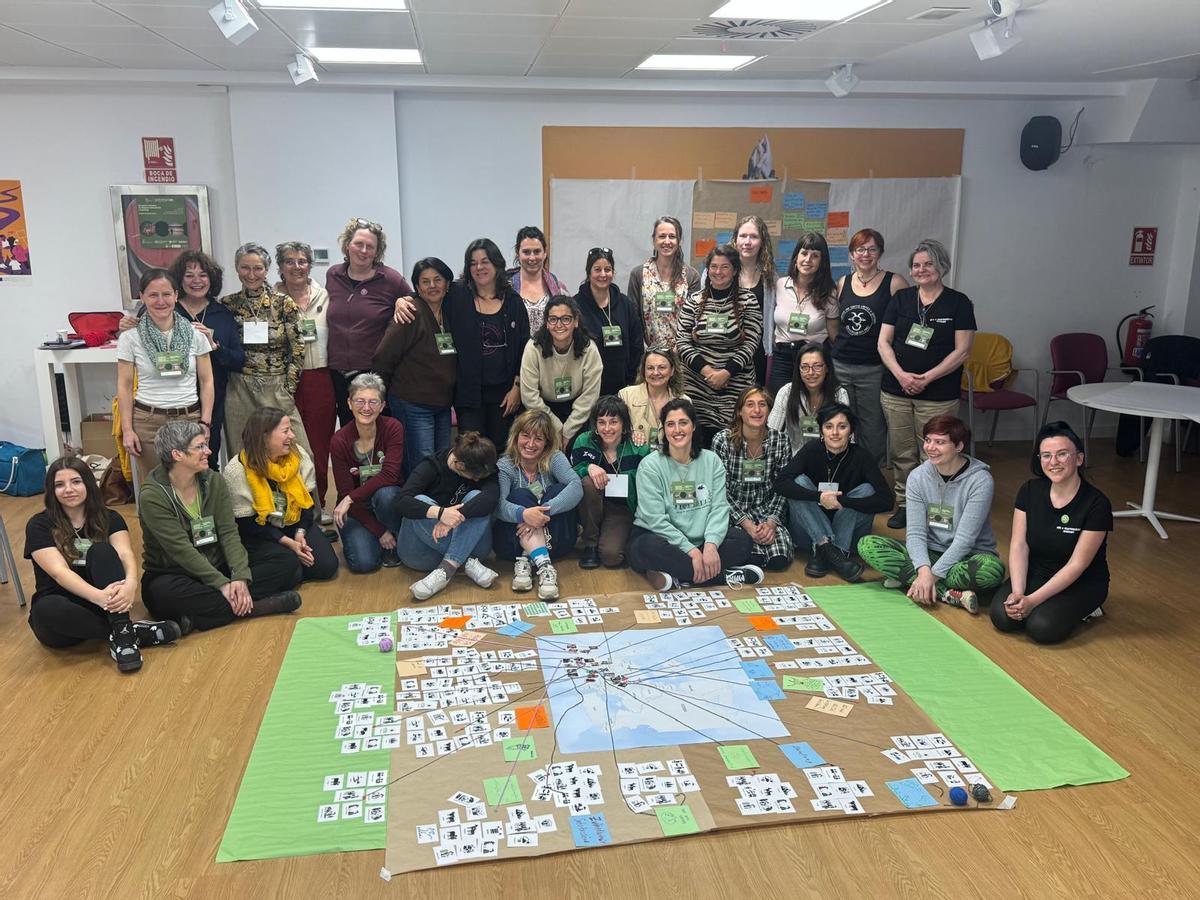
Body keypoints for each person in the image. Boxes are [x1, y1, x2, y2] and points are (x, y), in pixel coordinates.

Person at [140, 421, 304, 632]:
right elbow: (180, 550)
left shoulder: (213, 481)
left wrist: (240, 577)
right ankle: (258, 607)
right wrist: (222, 584)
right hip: (175, 572)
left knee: (287, 562)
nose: (208, 451)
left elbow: (228, 532)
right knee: (162, 596)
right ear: (177, 455)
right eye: (199, 447)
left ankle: (205, 616)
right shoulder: (152, 496)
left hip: (218, 563)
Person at [25, 457, 178, 673]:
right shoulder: (39, 525)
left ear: (89, 483)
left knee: (103, 551)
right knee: (45, 611)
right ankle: (127, 632)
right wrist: (100, 598)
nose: (68, 489)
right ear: (51, 491)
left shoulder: (110, 518)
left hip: (102, 605)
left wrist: (131, 584)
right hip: (63, 612)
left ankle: (123, 639)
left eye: (76, 482)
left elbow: (125, 554)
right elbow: (59, 573)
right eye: (59, 485)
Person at [858, 415, 1004, 613]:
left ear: (959, 446)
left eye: (940, 442)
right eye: (927, 440)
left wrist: (931, 575)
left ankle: (914, 582)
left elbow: (965, 540)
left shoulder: (980, 480)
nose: (930, 447)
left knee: (991, 572)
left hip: (968, 557)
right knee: (867, 545)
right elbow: (916, 533)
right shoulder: (918, 477)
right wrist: (924, 569)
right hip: (929, 554)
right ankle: (947, 593)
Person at [878, 238, 976, 529]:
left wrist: (927, 378)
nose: (921, 270)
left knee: (934, 453)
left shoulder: (958, 303)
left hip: (938, 394)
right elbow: (883, 342)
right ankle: (906, 505)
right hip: (896, 390)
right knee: (902, 452)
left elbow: (963, 350)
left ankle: (934, 508)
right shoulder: (901, 299)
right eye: (917, 265)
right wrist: (901, 375)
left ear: (942, 267)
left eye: (928, 264)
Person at [991, 422, 1113, 644]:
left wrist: (1033, 600)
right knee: (1003, 618)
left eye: (1062, 454)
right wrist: (1018, 592)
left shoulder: (1097, 503)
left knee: (1042, 628)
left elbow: (1078, 564)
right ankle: (1035, 601)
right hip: (1038, 572)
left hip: (1081, 581)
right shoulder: (1029, 490)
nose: (1053, 462)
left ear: (1079, 459)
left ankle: (1090, 608)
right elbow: (1019, 545)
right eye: (1046, 455)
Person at [627, 398, 762, 591]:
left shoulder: (711, 460)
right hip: (661, 538)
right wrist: (690, 550)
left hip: (701, 540)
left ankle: (679, 576)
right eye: (670, 424)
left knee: (742, 541)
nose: (677, 430)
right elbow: (655, 520)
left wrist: (711, 545)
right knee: (646, 548)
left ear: (693, 426)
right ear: (663, 430)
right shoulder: (650, 466)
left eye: (683, 423)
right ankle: (723, 576)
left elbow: (719, 508)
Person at [774, 403, 891, 582]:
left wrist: (843, 501)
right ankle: (829, 550)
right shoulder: (811, 449)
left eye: (842, 427)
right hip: (807, 533)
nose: (835, 432)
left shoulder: (862, 456)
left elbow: (886, 501)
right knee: (798, 483)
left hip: (849, 535)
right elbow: (780, 483)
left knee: (867, 490)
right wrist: (819, 497)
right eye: (829, 426)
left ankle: (825, 552)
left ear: (851, 431)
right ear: (821, 431)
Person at [117, 268, 214, 482]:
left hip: (189, 419)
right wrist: (127, 429)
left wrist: (205, 423)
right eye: (153, 295)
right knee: (155, 488)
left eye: (166, 294)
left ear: (176, 296)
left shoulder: (196, 335)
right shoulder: (130, 338)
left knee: (192, 486)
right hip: (148, 422)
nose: (161, 301)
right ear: (142, 297)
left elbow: (206, 381)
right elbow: (124, 386)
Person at [223, 406, 339, 584]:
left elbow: (308, 505)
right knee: (291, 569)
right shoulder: (237, 470)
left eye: (291, 430)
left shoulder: (298, 456)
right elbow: (246, 523)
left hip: (295, 524)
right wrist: (287, 542)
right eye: (286, 431)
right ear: (264, 436)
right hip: (261, 532)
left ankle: (289, 568)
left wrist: (299, 534)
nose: (292, 435)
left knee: (326, 566)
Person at [221, 242, 309, 458]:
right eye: (245, 268)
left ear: (267, 270)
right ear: (236, 268)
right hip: (239, 389)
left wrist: (288, 388)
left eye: (257, 268)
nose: (251, 274)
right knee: (242, 453)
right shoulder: (227, 305)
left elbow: (297, 349)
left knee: (298, 452)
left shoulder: (283, 304)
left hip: (276, 387)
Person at [324, 218, 413, 426]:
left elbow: (416, 301)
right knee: (348, 431)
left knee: (377, 432)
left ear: (377, 251)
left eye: (370, 247)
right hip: (337, 373)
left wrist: (401, 300)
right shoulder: (333, 275)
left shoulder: (390, 279)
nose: (363, 251)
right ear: (348, 245)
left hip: (373, 373)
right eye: (358, 244)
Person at [373, 257, 456, 476]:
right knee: (421, 464)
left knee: (442, 460)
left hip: (442, 403)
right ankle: (417, 508)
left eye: (438, 279)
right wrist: (385, 394)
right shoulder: (410, 312)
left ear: (447, 284)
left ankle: (435, 506)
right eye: (425, 281)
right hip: (413, 403)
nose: (432, 286)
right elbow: (383, 356)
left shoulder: (450, 312)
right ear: (417, 287)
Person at [396, 431, 501, 602]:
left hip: (473, 547)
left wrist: (455, 516)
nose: (477, 480)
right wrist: (440, 513)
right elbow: (401, 501)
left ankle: (447, 568)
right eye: (474, 477)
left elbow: (491, 498)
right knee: (421, 501)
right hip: (423, 553)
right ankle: (463, 562)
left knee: (477, 497)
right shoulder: (431, 466)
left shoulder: (485, 464)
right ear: (459, 465)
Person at [831, 228, 906, 466]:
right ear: (852, 254)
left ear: (880, 253)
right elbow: (834, 323)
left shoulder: (895, 282)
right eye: (860, 249)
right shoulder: (842, 282)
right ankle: (842, 470)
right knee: (840, 422)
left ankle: (870, 473)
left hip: (874, 368)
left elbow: (904, 325)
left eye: (872, 249)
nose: (866, 254)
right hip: (840, 365)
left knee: (872, 425)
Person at [675, 244, 763, 445]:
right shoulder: (694, 300)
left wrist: (726, 373)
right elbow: (682, 340)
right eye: (714, 266)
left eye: (724, 267)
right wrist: (708, 372)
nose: (718, 272)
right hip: (697, 386)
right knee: (697, 441)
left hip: (734, 386)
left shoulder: (748, 300)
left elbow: (751, 342)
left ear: (734, 270)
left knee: (731, 443)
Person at [447, 238, 530, 451]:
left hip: (505, 395)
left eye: (485, 261)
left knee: (502, 453)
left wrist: (517, 388)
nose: (479, 267)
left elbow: (524, 348)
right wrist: (404, 301)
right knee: (470, 453)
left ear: (496, 264)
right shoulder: (457, 296)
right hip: (469, 394)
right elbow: (427, 294)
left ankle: (498, 486)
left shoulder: (513, 301)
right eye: (473, 263)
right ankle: (472, 487)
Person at [494, 409, 583, 600]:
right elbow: (498, 506)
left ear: (547, 443)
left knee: (558, 490)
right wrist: (524, 515)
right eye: (525, 436)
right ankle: (544, 565)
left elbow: (577, 487)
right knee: (520, 496)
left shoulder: (555, 457)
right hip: (511, 546)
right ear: (516, 436)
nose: (531, 444)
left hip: (556, 540)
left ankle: (529, 558)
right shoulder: (504, 465)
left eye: (539, 439)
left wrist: (542, 513)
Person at [277, 240, 335, 515]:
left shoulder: (325, 295)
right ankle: (292, 506)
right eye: (289, 261)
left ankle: (319, 503)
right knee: (286, 443)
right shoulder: (270, 299)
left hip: (319, 379)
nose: (296, 267)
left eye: (302, 261)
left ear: (310, 265)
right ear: (280, 267)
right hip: (283, 380)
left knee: (318, 446)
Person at [712, 387, 794, 571]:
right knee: (748, 554)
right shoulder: (722, 441)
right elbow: (719, 491)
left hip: (767, 513)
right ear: (739, 411)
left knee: (779, 560)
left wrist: (771, 522)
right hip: (733, 515)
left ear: (769, 410)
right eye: (750, 405)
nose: (757, 410)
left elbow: (783, 488)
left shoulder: (780, 441)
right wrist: (746, 524)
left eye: (762, 405)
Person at [330, 374, 405, 574]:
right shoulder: (339, 441)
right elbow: (345, 494)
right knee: (364, 564)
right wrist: (380, 532)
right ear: (349, 403)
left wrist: (349, 498)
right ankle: (382, 537)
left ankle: (395, 538)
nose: (366, 408)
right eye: (360, 401)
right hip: (356, 510)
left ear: (382, 406)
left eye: (373, 402)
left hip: (386, 502)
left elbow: (390, 475)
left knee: (387, 494)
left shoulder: (393, 428)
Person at [569, 395, 650, 569]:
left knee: (611, 557)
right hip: (591, 506)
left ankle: (623, 538)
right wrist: (587, 468)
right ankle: (590, 543)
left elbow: (650, 485)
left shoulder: (638, 447)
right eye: (601, 422)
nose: (607, 428)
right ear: (595, 425)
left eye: (613, 422)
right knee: (587, 482)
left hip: (621, 509)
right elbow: (568, 474)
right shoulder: (584, 441)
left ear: (624, 424)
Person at [519, 294, 603, 447]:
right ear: (546, 323)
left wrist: (567, 431)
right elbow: (529, 396)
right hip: (542, 410)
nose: (559, 325)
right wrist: (556, 428)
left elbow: (590, 396)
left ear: (576, 321)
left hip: (578, 412)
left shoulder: (589, 348)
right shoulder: (533, 348)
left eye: (566, 319)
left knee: (577, 450)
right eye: (553, 319)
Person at [768, 232, 840, 397]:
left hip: (813, 360)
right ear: (796, 257)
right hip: (783, 358)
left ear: (822, 262)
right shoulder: (779, 285)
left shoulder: (829, 293)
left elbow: (834, 334)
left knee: (812, 409)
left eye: (815, 256)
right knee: (779, 408)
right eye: (804, 253)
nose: (808, 260)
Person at [574, 247, 645, 398]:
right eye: (597, 269)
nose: (603, 274)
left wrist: (630, 381)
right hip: (586, 389)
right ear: (589, 272)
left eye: (608, 269)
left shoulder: (625, 304)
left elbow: (637, 345)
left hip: (622, 387)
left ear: (613, 272)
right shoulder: (575, 306)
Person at [628, 216, 701, 351]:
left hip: (681, 354)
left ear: (679, 241)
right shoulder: (638, 274)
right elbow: (633, 318)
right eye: (662, 236)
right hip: (649, 355)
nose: (667, 241)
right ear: (654, 240)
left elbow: (694, 319)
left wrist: (681, 348)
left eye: (672, 237)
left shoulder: (691, 276)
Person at [768, 341, 851, 450]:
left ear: (827, 368)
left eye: (817, 366)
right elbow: (771, 434)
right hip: (793, 459)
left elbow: (846, 438)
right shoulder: (786, 392)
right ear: (799, 370)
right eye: (805, 367)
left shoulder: (839, 395)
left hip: (828, 458)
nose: (811, 372)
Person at [734, 215, 776, 387]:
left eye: (754, 236)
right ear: (735, 239)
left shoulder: (770, 278)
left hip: (758, 350)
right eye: (743, 236)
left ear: (762, 242)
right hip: (725, 349)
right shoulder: (718, 271)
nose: (747, 242)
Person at [619, 346, 689, 448]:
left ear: (672, 370)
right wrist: (629, 434)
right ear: (643, 371)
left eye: (662, 367)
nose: (655, 372)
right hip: (635, 458)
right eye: (650, 368)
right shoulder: (625, 395)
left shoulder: (684, 401)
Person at [508, 225, 568, 334]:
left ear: (545, 253)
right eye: (526, 252)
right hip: (516, 350)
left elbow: (568, 326)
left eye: (537, 251)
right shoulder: (506, 288)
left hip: (550, 350)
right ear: (518, 253)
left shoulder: (559, 289)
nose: (532, 258)